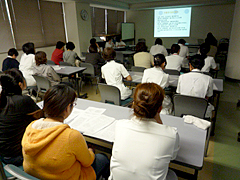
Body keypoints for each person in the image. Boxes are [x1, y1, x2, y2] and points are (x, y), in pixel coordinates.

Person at [22, 84, 110, 180]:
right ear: (68, 108)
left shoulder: (31, 127)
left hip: (35, 175)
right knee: (103, 158)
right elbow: (88, 161)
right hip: (65, 177)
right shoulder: (71, 136)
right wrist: (90, 151)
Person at [109, 83, 179, 180]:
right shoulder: (171, 135)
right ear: (160, 109)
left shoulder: (120, 125)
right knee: (172, 175)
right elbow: (172, 157)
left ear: (134, 104)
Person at [0, 69, 39, 166]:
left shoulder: (2, 100)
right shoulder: (23, 100)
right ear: (20, 84)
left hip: (3, 154)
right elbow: (41, 116)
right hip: (16, 156)